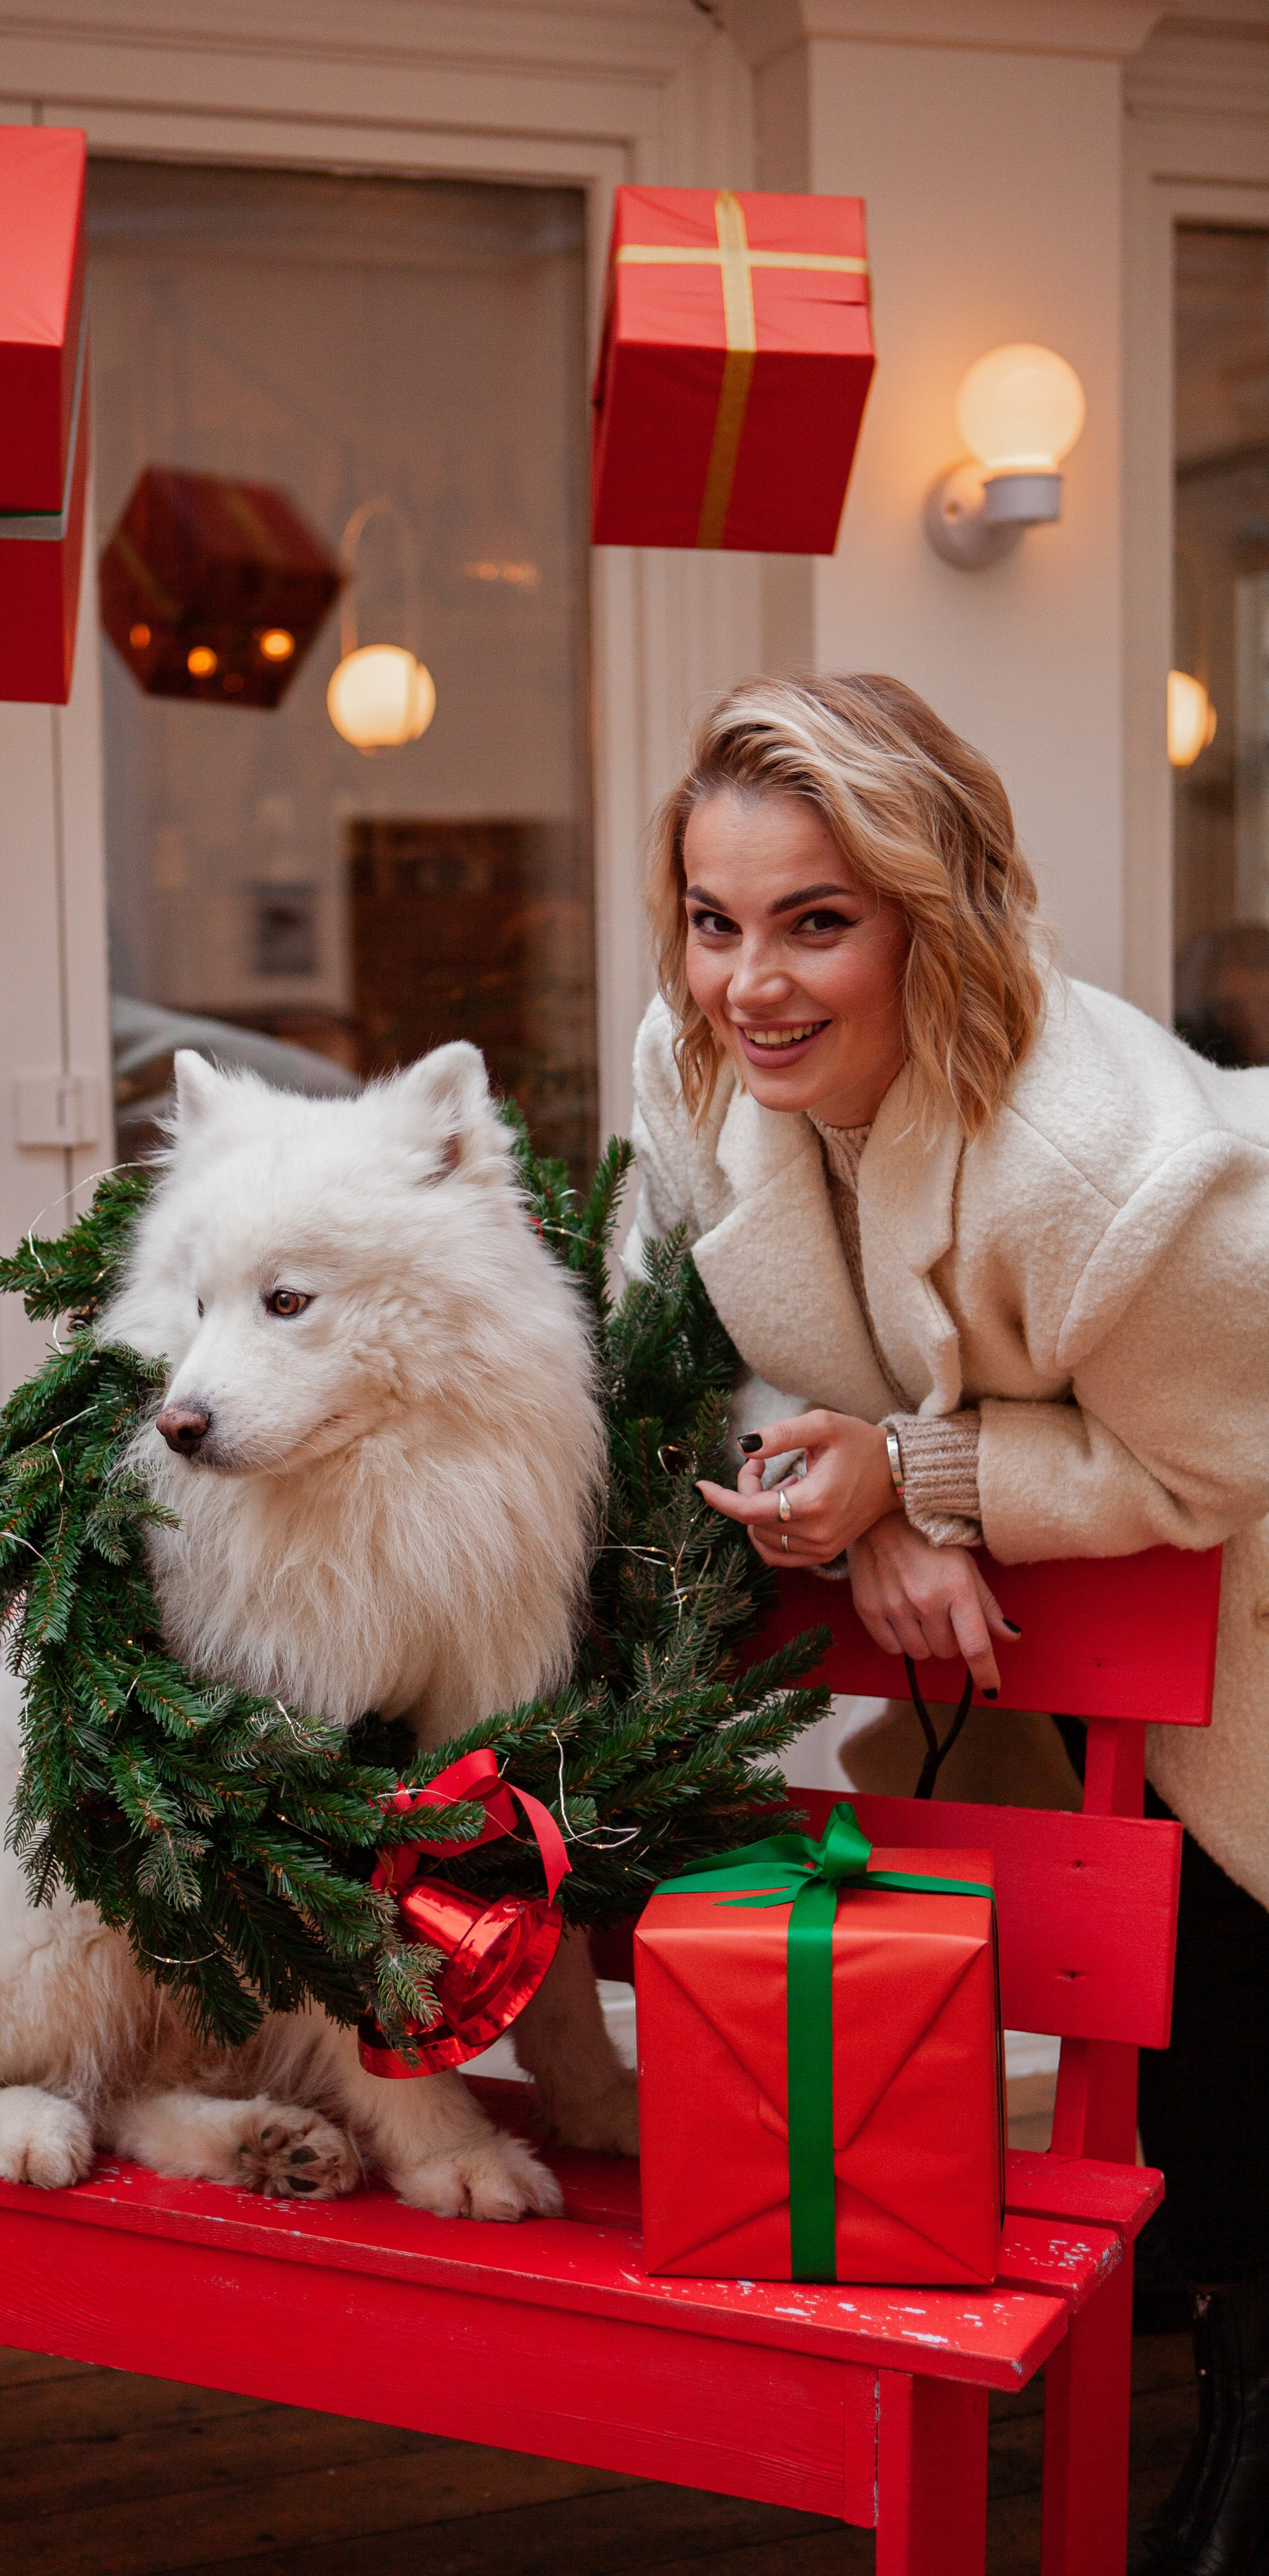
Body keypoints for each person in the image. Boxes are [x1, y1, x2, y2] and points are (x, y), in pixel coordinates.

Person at [625, 672, 1269, 2576]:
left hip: (1244, 1561)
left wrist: (925, 1471)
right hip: (1055, 1597)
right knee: (1117, 1980)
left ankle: (1255, 2397)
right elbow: (665, 1348)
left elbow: (1215, 1464)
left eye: (817, 922)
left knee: (1229, 1973)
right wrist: (870, 1499)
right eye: (715, 919)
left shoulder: (1122, 1164)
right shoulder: (699, 1068)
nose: (750, 983)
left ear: (937, 913)